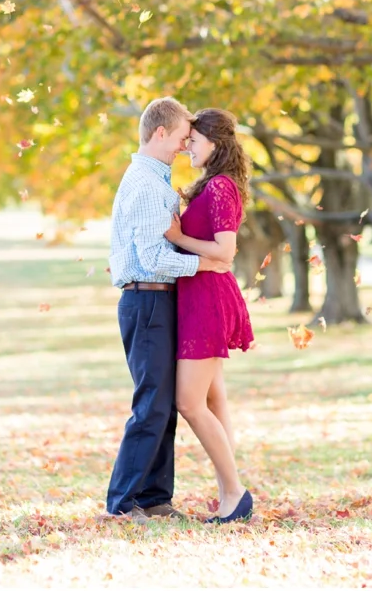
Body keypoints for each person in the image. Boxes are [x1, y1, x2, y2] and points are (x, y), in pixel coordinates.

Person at [104, 96, 235, 522]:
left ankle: (155, 498)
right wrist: (204, 264)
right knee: (152, 405)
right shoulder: (145, 184)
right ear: (160, 133)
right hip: (147, 299)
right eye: (181, 137)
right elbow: (152, 257)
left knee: (163, 405)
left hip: (160, 299)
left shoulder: (156, 180)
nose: (184, 145)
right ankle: (123, 503)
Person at [163, 107, 256, 522]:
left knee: (189, 401)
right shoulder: (213, 184)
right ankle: (228, 493)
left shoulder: (220, 187)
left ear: (215, 144)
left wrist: (178, 237)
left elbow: (225, 250)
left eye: (194, 142)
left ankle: (235, 492)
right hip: (199, 295)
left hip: (208, 300)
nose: (188, 149)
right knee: (214, 399)